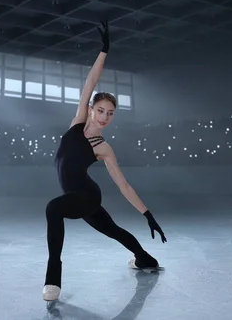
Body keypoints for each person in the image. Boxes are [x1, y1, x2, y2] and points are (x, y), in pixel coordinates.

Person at [42, 21, 167, 302]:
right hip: (78, 196)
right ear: (91, 109)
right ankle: (145, 260)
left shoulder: (104, 148)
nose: (104, 117)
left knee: (53, 208)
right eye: (100, 110)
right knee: (115, 232)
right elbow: (91, 82)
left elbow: (123, 185)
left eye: (110, 113)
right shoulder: (78, 120)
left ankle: (53, 280)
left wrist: (147, 214)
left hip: (86, 195)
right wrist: (104, 50)